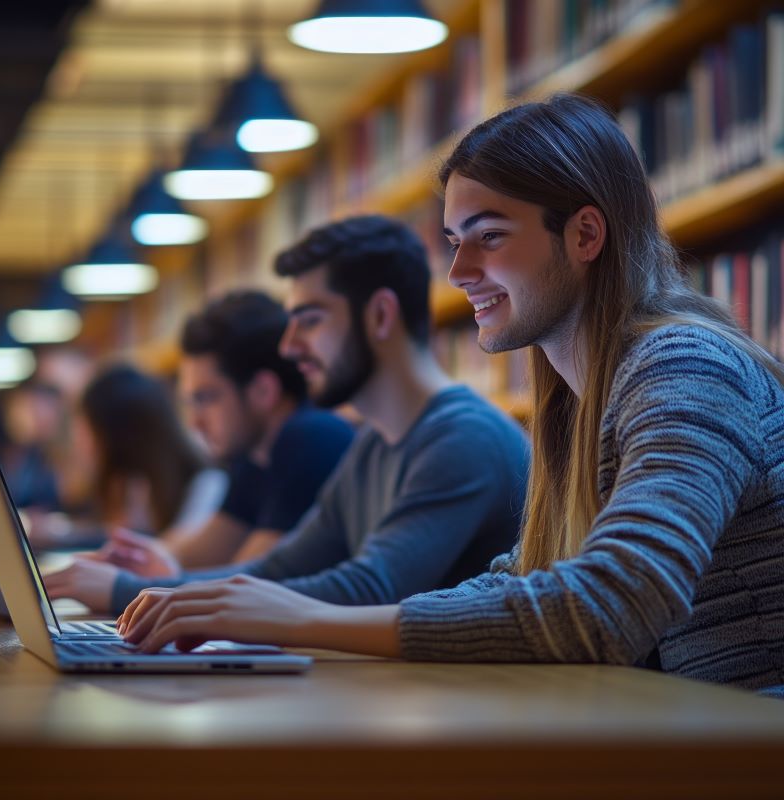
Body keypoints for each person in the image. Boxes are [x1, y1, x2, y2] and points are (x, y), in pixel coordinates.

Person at [116, 94, 784, 695]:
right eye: (453, 242)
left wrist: (309, 621)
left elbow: (613, 604)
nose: (459, 273)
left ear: (585, 234)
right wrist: (276, 616)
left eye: (489, 237)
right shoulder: (574, 402)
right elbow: (524, 579)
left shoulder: (688, 367)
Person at [49, 215, 531, 616]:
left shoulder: (463, 437)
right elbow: (280, 570)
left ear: (381, 316)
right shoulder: (374, 443)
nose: (288, 346)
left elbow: (371, 587)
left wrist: (127, 593)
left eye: (310, 319)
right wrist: (138, 591)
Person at [44, 291, 355, 602]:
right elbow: (187, 556)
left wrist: (120, 587)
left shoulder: (310, 437)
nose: (194, 423)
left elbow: (251, 584)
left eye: (206, 398)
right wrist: (128, 565)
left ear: (263, 391)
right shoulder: (254, 458)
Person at [72, 363, 228, 543]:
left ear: (118, 436)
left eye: (88, 430)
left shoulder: (208, 485)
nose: (80, 442)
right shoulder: (128, 485)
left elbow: (178, 558)